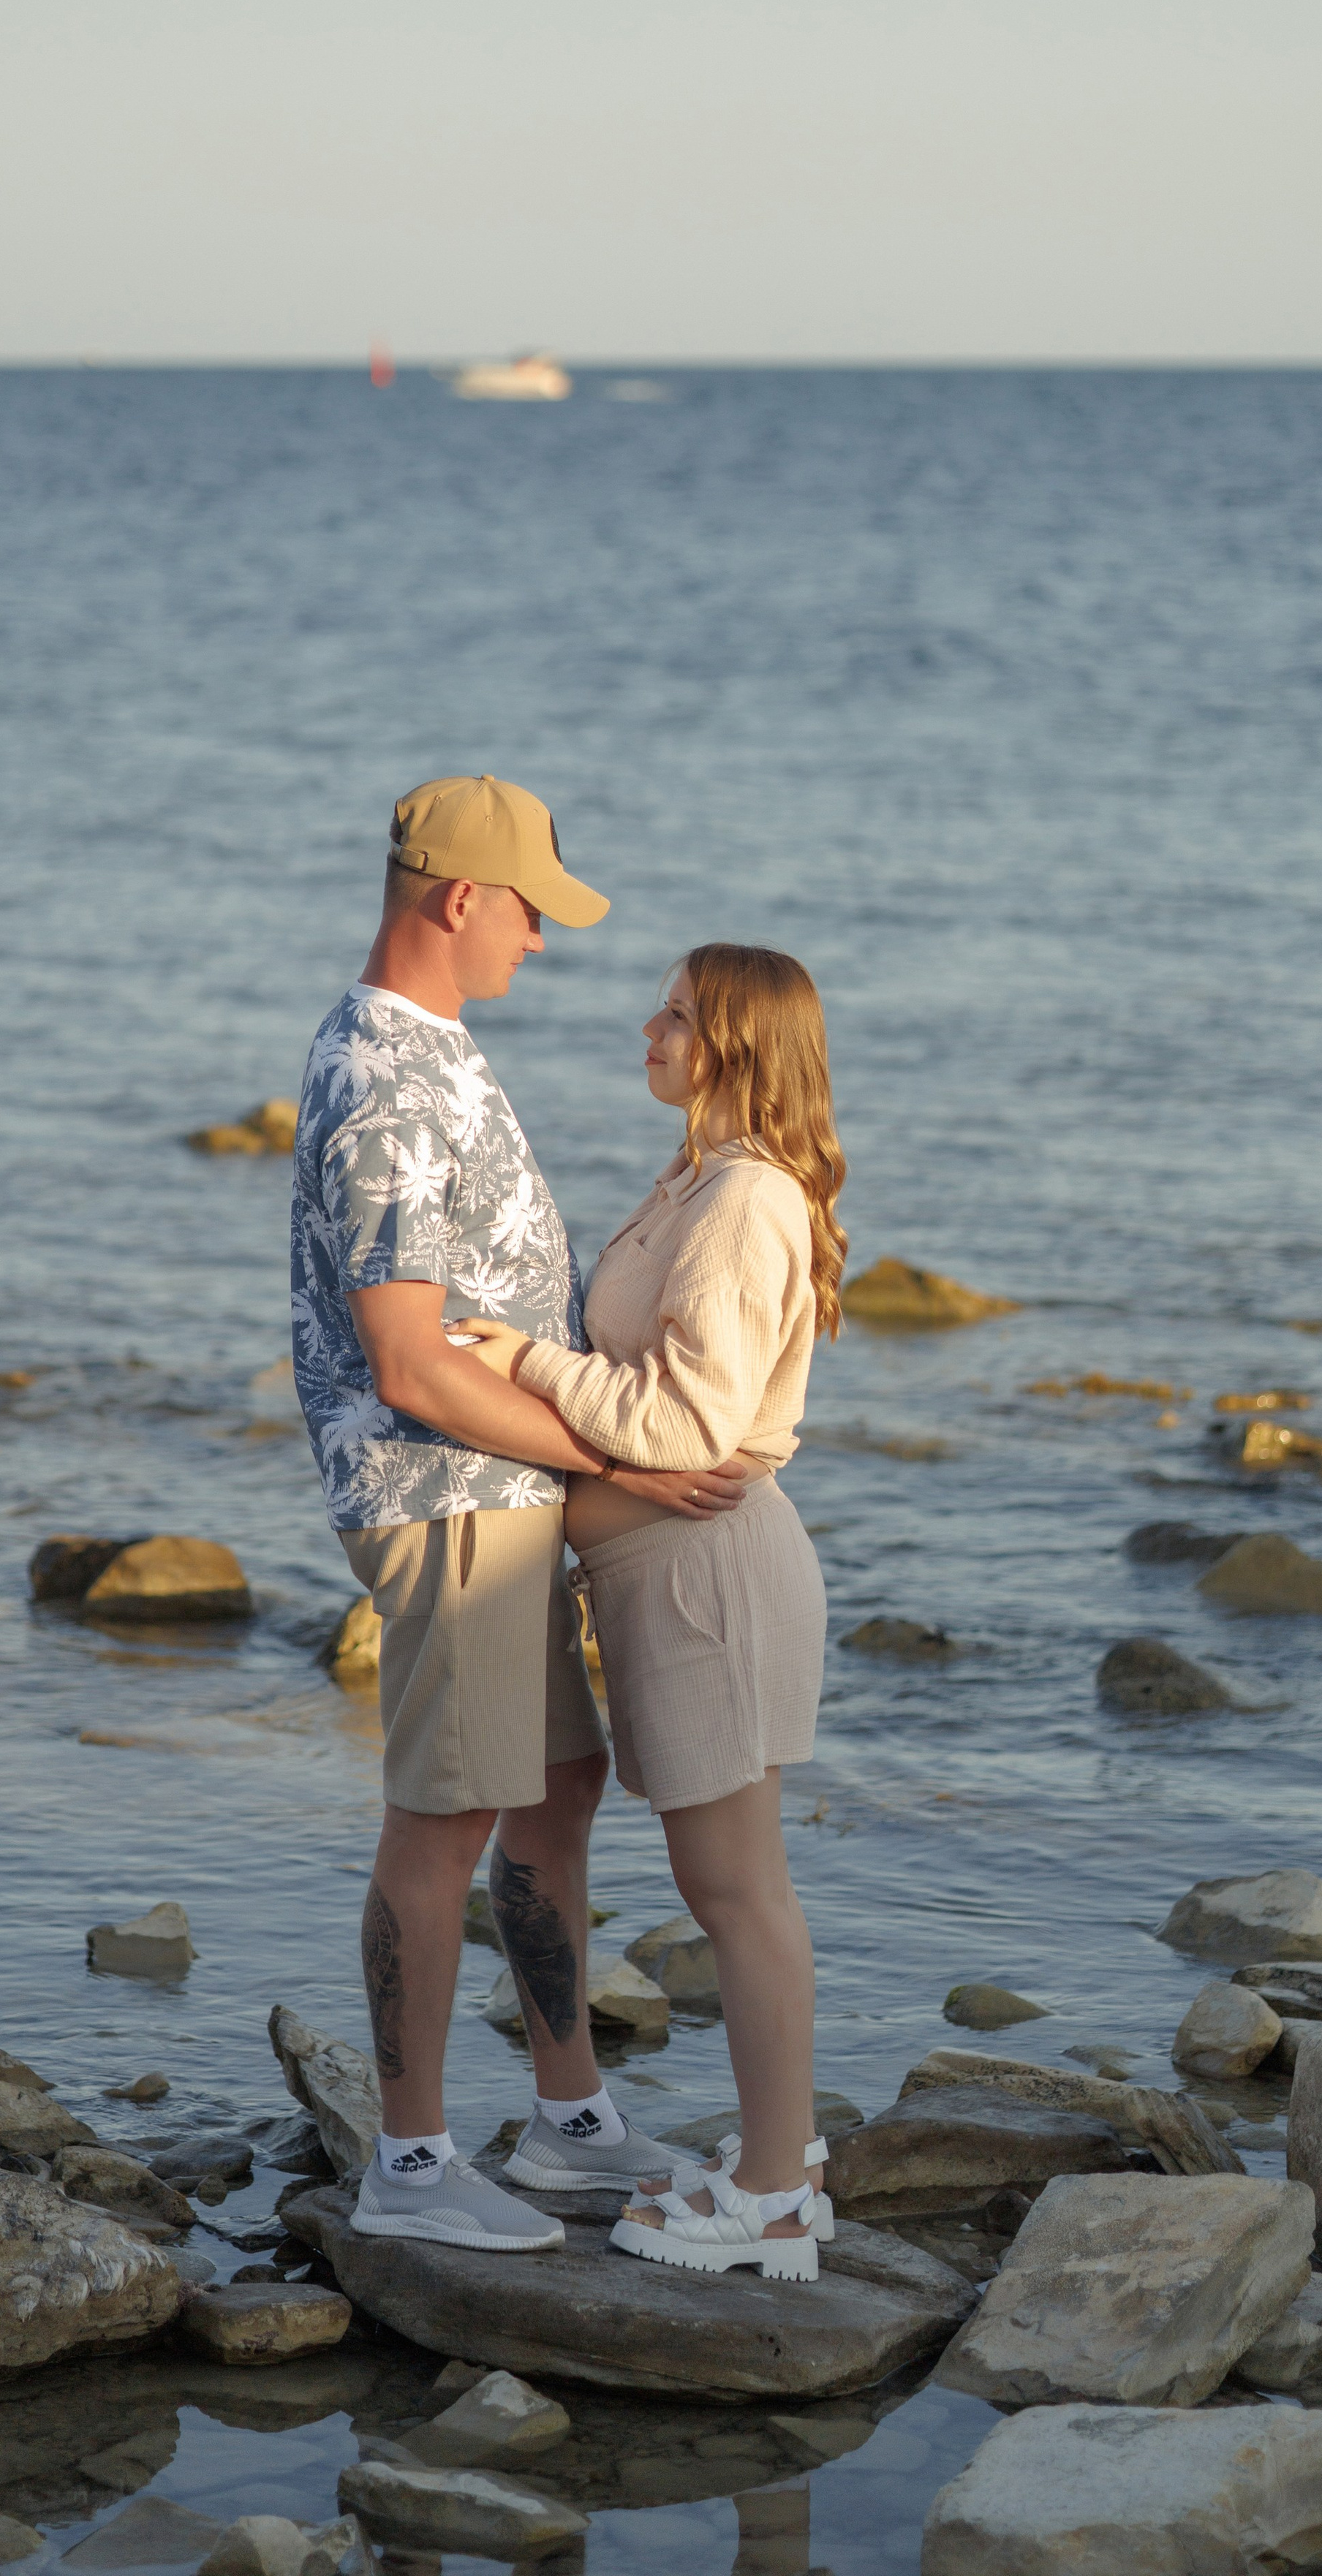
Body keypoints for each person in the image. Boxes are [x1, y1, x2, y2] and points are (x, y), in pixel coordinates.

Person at [291, 776, 752, 2252]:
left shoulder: (434, 1052)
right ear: (455, 900)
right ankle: (409, 2164)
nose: (544, 943)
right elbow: (411, 1359)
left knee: (556, 1787)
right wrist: (621, 1450)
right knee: (441, 1820)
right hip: (446, 1502)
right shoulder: (386, 1082)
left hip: (505, 1494)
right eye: (533, 912)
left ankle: (566, 2121)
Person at [455, 944, 845, 2281]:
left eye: (677, 1014)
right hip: (666, 1579)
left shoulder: (742, 1201)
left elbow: (688, 1425)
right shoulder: (697, 1183)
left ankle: (778, 2198)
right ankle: (772, 2163)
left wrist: (521, 1361)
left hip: (710, 1578)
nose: (649, 1027)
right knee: (726, 1884)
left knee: (736, 1891)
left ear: (736, 1041)